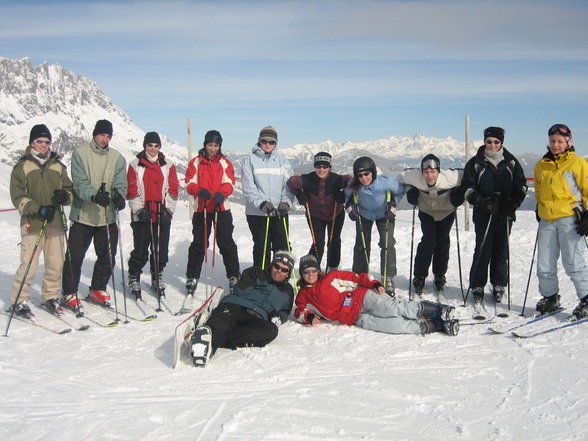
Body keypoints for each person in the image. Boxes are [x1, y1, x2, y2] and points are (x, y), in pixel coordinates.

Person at [294, 254, 459, 336]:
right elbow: (299, 311)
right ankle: (435, 326)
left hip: (363, 298)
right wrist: (307, 317)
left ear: (318, 270)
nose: (311, 274)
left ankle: (437, 310)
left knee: (393, 308)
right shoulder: (303, 295)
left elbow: (356, 278)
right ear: (302, 274)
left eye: (313, 270)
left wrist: (374, 283)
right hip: (355, 318)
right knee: (394, 326)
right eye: (306, 272)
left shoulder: (330, 278)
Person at [61, 119, 127, 313]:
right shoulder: (80, 154)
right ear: (94, 134)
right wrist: (94, 195)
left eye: (108, 136)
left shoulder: (117, 158)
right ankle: (69, 292)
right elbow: (79, 183)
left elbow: (120, 183)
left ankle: (98, 288)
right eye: (101, 135)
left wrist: (118, 197)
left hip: (107, 217)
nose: (104, 139)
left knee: (107, 256)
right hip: (83, 215)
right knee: (75, 256)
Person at [9, 124, 73, 318]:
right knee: (29, 264)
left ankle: (51, 296)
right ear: (31, 143)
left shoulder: (58, 166)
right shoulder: (22, 167)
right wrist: (37, 209)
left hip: (55, 222)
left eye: (47, 142)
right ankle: (19, 300)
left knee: (55, 262)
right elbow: (17, 196)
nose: (44, 145)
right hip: (33, 223)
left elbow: (70, 190)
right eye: (39, 141)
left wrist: (66, 196)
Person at [190, 250, 296, 367]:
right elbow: (243, 291)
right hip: (236, 305)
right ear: (272, 265)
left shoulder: (288, 291)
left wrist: (279, 318)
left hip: (258, 318)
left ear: (288, 273)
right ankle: (205, 348)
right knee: (225, 319)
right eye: (277, 266)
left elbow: (285, 311)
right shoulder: (255, 272)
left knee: (270, 332)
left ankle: (209, 334)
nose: (279, 271)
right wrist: (270, 310)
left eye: (284, 270)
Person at [462, 127, 527, 304]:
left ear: (501, 143)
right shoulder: (475, 163)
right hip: (484, 212)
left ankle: (499, 284)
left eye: (496, 142)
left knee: (501, 249)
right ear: (484, 142)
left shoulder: (511, 162)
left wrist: (513, 203)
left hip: (505, 212)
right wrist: (481, 202)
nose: (492, 145)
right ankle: (477, 284)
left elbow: (521, 186)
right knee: (483, 249)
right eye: (489, 141)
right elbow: (467, 188)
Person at [534, 124, 588, 320]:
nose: (555, 145)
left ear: (568, 142)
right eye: (552, 141)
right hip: (547, 219)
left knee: (573, 261)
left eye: (559, 141)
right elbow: (539, 190)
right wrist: (539, 208)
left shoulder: (578, 163)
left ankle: (586, 298)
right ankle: (550, 298)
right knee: (544, 263)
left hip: (570, 218)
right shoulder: (541, 165)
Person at [399, 154, 464, 294]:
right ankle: (419, 276)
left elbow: (469, 177)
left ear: (439, 171)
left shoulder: (451, 178)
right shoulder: (414, 177)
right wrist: (410, 190)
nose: (429, 176)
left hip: (446, 212)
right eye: (426, 172)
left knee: (442, 242)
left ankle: (440, 275)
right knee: (428, 241)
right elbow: (401, 177)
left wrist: (461, 193)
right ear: (421, 172)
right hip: (426, 211)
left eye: (433, 172)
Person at [185, 130, 240, 295]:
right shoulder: (195, 162)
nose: (213, 148)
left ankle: (233, 276)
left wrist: (222, 193)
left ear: (220, 146)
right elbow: (189, 183)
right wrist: (198, 190)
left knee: (226, 243)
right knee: (199, 244)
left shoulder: (225, 163)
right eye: (210, 145)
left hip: (221, 208)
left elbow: (230, 182)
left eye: (216, 145)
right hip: (202, 208)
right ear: (205, 144)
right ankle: (192, 276)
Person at [127, 132, 179, 300]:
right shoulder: (135, 165)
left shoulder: (167, 164)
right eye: (150, 145)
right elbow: (132, 190)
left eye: (156, 146)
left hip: (161, 215)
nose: (153, 149)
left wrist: (168, 210)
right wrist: (139, 210)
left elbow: (173, 189)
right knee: (141, 250)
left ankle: (157, 274)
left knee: (161, 250)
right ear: (145, 146)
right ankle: (134, 275)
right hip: (143, 215)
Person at [344, 156, 405, 295]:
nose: (364, 178)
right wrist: (349, 207)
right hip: (364, 215)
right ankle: (361, 275)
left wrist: (394, 203)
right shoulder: (353, 185)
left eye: (367, 174)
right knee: (362, 244)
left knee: (387, 243)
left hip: (385, 215)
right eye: (360, 175)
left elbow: (401, 190)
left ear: (373, 172)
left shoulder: (385, 182)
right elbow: (346, 197)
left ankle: (388, 277)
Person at [287, 152, 351, 271]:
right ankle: (312, 270)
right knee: (318, 243)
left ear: (330, 167)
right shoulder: (307, 179)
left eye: (325, 166)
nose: (321, 169)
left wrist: (344, 195)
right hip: (315, 216)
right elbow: (290, 182)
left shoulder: (337, 179)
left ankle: (333, 269)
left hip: (336, 214)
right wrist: (299, 194)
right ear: (315, 166)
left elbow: (351, 181)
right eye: (318, 166)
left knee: (334, 242)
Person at [241, 126, 294, 269]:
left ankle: (281, 278)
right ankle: (261, 277)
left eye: (271, 142)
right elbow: (248, 187)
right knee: (261, 247)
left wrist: (286, 203)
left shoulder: (283, 161)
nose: (268, 144)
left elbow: (288, 186)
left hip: (279, 211)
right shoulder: (249, 160)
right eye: (264, 141)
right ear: (259, 142)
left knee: (282, 247)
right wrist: (261, 203)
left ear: (275, 143)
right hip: (257, 213)